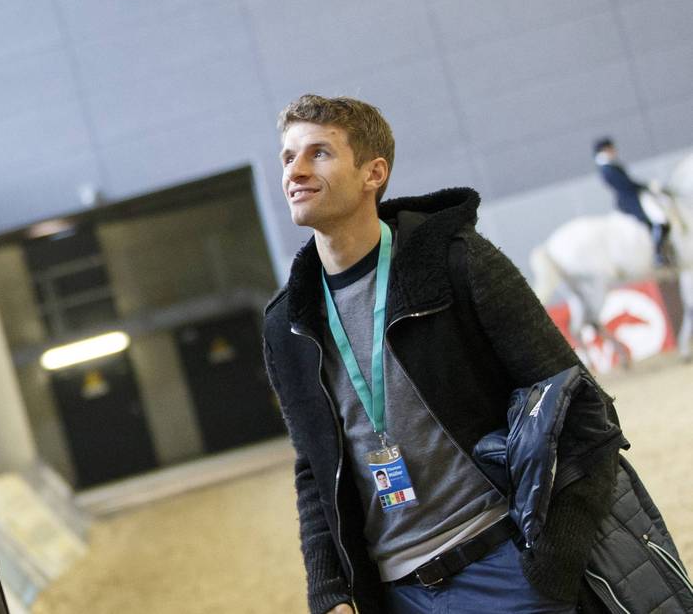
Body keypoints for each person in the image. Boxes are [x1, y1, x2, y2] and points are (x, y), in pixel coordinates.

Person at [262, 95, 620, 613]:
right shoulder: (286, 323)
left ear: (373, 172)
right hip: (396, 595)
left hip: (506, 567)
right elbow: (312, 470)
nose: (295, 170)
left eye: (318, 153)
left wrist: (551, 567)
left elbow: (580, 406)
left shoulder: (457, 261)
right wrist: (329, 593)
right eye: (287, 157)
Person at [593, 137, 674, 266]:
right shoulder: (607, 168)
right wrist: (646, 187)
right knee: (659, 219)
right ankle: (658, 253)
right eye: (611, 148)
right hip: (631, 199)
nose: (614, 151)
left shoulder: (610, 165)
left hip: (633, 195)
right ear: (606, 149)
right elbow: (626, 184)